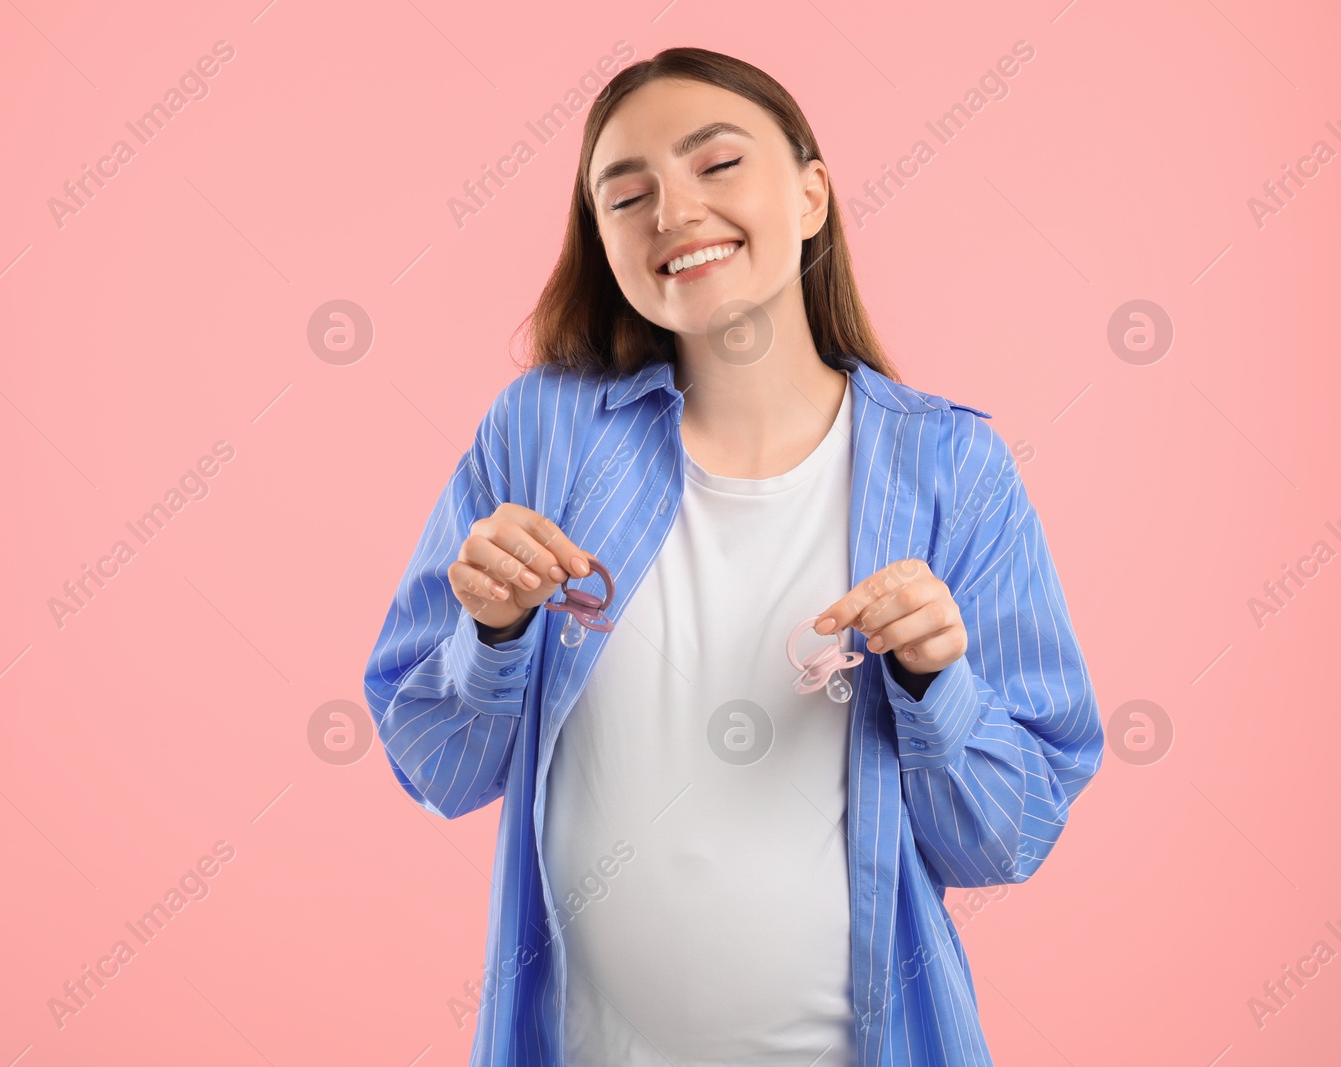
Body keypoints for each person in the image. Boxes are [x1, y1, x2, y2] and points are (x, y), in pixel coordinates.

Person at [363, 46, 1103, 1067]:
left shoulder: (953, 468)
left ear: (809, 195)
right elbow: (438, 765)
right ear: (606, 243)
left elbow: (1007, 837)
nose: (673, 210)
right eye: (626, 196)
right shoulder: (540, 434)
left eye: (716, 166)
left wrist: (939, 684)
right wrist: (491, 632)